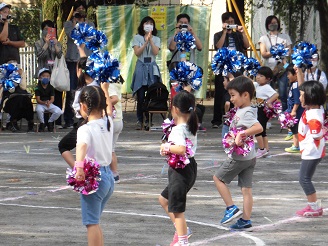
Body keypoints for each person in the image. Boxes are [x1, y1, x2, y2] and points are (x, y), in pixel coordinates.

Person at [213, 76, 263, 230]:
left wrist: (242, 134)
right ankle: (245, 220)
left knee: (218, 178)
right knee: (246, 189)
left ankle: (231, 208)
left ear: (245, 95)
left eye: (233, 95)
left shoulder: (246, 112)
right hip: (250, 157)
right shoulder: (247, 108)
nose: (231, 98)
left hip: (239, 158)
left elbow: (259, 128)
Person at [74, 85, 114, 245]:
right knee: (95, 221)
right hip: (108, 178)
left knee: (91, 223)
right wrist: (105, 89)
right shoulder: (108, 122)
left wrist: (79, 167)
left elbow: (81, 146)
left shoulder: (85, 128)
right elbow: (110, 110)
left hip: (95, 179)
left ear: (84, 106)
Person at [159, 90, 198, 246]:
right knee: (164, 199)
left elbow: (181, 149)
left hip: (180, 171)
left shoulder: (177, 129)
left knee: (177, 209)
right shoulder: (191, 124)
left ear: (174, 109)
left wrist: (166, 146)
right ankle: (183, 230)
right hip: (190, 167)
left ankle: (182, 240)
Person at [58, 44, 99, 168]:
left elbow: (83, 111)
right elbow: (84, 62)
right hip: (99, 123)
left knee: (64, 145)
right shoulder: (98, 85)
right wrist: (80, 49)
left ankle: (78, 170)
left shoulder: (85, 90)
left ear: (80, 71)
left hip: (86, 122)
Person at [212, 12, 249, 129]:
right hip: (222, 65)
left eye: (232, 22)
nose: (230, 24)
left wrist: (242, 33)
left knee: (237, 90)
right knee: (220, 92)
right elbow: (218, 46)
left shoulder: (237, 35)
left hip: (237, 66)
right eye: (228, 22)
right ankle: (217, 120)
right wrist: (224, 32)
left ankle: (236, 116)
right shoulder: (218, 34)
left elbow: (246, 46)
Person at [295, 80, 326, 217]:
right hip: (312, 150)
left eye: (302, 95)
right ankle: (313, 205)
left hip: (312, 151)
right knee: (305, 178)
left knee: (304, 178)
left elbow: (316, 133)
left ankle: (314, 207)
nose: (300, 98)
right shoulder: (315, 109)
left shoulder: (313, 115)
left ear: (311, 96)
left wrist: (320, 132)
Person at [63, 0, 95, 129]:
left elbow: (89, 36)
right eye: (78, 9)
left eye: (83, 9)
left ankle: (86, 116)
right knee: (72, 89)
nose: (81, 12)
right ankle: (69, 119)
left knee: (86, 87)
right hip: (72, 60)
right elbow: (72, 36)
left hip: (85, 59)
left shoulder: (90, 24)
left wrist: (84, 23)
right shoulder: (68, 24)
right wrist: (75, 22)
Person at [131, 16, 162, 130]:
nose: (149, 25)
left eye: (151, 23)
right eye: (146, 23)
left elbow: (155, 52)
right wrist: (145, 42)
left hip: (152, 67)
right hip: (141, 66)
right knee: (140, 95)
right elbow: (137, 53)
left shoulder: (157, 39)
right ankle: (140, 120)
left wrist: (151, 40)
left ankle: (149, 120)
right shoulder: (137, 38)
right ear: (142, 25)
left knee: (151, 95)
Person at [258, 15, 292, 112]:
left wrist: (282, 51)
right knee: (269, 92)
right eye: (271, 23)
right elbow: (263, 53)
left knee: (283, 93)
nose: (274, 25)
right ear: (267, 25)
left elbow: (289, 52)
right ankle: (268, 115)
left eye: (275, 22)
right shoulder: (264, 38)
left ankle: (285, 114)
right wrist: (274, 51)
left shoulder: (285, 37)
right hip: (269, 69)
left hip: (283, 67)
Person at [35, 20, 63, 126]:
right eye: (45, 29)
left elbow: (60, 56)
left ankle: (57, 122)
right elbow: (40, 55)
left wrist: (55, 45)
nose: (47, 31)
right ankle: (44, 122)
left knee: (56, 94)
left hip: (55, 72)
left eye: (50, 29)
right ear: (42, 30)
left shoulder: (57, 42)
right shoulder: (38, 43)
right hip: (43, 71)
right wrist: (46, 44)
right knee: (44, 94)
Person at [0, 58, 34, 132]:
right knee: (18, 100)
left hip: (21, 97)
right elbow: (11, 89)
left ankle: (30, 122)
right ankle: (13, 122)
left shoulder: (20, 74)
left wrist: (21, 76)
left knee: (26, 100)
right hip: (9, 99)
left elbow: (23, 87)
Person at [254, 67, 279, 158]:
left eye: (261, 76)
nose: (258, 77)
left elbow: (276, 94)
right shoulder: (257, 85)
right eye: (257, 75)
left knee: (258, 131)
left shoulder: (266, 87)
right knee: (263, 131)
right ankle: (266, 150)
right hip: (258, 110)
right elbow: (248, 82)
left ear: (268, 79)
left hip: (262, 111)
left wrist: (269, 102)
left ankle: (261, 149)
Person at [284, 65, 304, 153]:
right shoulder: (293, 84)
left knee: (295, 129)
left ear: (296, 75)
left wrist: (293, 111)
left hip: (296, 112)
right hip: (292, 110)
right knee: (293, 128)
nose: (288, 76)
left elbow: (297, 101)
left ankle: (296, 145)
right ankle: (296, 144)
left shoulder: (296, 86)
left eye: (289, 74)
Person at [35, 68, 62, 132]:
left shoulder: (51, 87)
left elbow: (52, 98)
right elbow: (38, 100)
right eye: (44, 76)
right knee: (39, 110)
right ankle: (42, 123)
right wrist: (44, 102)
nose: (46, 78)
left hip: (49, 104)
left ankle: (50, 122)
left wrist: (49, 102)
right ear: (40, 77)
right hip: (41, 104)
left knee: (58, 111)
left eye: (48, 76)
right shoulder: (37, 87)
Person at [108, 82, 123, 183]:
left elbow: (115, 98)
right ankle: (113, 172)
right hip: (118, 120)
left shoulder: (110, 85)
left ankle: (114, 173)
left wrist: (103, 102)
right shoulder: (116, 84)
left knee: (109, 149)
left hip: (113, 121)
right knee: (110, 148)